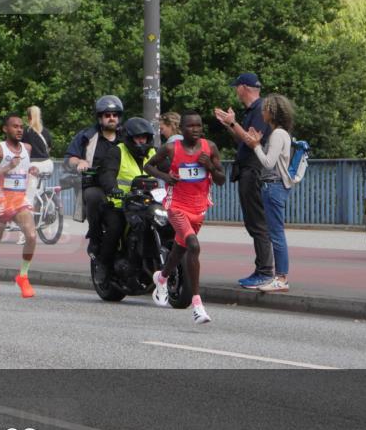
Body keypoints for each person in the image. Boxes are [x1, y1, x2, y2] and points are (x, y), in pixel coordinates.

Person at [145, 111, 226, 324]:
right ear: (182, 129)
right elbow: (149, 166)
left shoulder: (210, 148)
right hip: (176, 206)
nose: (196, 130)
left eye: (199, 126)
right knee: (193, 245)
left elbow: (221, 179)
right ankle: (197, 305)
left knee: (180, 248)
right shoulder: (172, 148)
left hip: (199, 209)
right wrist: (165, 177)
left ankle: (161, 277)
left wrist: (209, 166)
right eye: (191, 126)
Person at [214, 74, 273, 288]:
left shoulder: (260, 109)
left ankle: (265, 271)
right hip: (249, 169)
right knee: (254, 222)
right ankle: (263, 269)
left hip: (253, 170)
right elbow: (242, 138)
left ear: (244, 88)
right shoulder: (255, 110)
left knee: (257, 223)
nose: (236, 92)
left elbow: (251, 142)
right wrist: (230, 125)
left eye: (237, 88)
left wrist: (233, 122)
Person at [236, 95, 295, 293]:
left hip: (274, 186)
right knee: (275, 232)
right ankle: (280, 276)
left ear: (272, 113)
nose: (262, 113)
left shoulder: (277, 134)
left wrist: (256, 146)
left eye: (265, 109)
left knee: (276, 234)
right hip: (277, 186)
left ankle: (281, 277)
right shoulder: (283, 133)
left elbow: (268, 163)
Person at [0, 113, 39, 299]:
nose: (19, 130)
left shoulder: (27, 148)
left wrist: (31, 171)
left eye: (21, 127)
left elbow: (24, 169)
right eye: (15, 126)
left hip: (19, 200)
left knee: (32, 236)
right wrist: (7, 167)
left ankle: (23, 276)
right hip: (1, 201)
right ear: (5, 129)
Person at [96, 117, 159, 287]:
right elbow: (107, 173)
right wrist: (113, 189)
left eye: (145, 137)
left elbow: (169, 167)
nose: (142, 141)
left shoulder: (154, 153)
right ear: (129, 138)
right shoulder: (117, 152)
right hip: (120, 204)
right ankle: (103, 266)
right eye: (138, 137)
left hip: (148, 204)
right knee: (115, 229)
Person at [65, 96, 124, 260]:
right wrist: (79, 161)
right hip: (95, 184)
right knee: (94, 197)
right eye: (107, 115)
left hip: (122, 187)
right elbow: (69, 157)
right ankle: (95, 238)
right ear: (100, 118)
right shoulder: (86, 136)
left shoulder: (127, 137)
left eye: (114, 114)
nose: (112, 118)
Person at [23, 105, 54, 211]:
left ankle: (28, 215)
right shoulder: (45, 131)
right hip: (48, 164)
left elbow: (23, 150)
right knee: (36, 189)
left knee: (28, 196)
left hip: (35, 165)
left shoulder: (26, 132)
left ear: (28, 117)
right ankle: (40, 204)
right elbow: (49, 148)